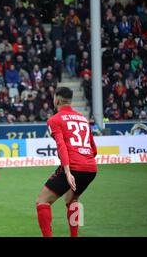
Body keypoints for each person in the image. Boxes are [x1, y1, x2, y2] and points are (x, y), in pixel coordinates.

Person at [36, 87, 97, 237]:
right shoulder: (83, 119)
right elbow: (94, 149)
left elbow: (61, 146)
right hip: (90, 168)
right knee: (72, 198)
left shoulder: (54, 120)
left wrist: (68, 171)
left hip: (73, 167)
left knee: (42, 201)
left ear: (56, 99)